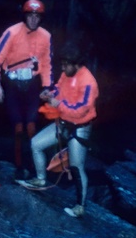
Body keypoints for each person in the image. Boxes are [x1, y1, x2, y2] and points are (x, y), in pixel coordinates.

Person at [17, 43, 98, 217]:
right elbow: (58, 87)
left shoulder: (89, 82)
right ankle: (40, 179)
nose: (63, 67)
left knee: (76, 166)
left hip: (80, 127)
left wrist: (59, 104)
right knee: (36, 144)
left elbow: (81, 109)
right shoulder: (66, 74)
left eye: (66, 64)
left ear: (77, 64)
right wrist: (49, 93)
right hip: (62, 123)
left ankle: (80, 206)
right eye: (62, 64)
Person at [0, 0, 53, 178]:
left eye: (36, 16)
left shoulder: (45, 36)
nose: (33, 19)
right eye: (30, 15)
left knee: (31, 125)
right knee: (18, 126)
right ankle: (18, 165)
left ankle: (33, 165)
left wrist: (47, 86)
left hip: (32, 84)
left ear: (41, 18)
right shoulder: (12, 33)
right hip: (13, 84)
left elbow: (46, 63)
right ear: (24, 16)